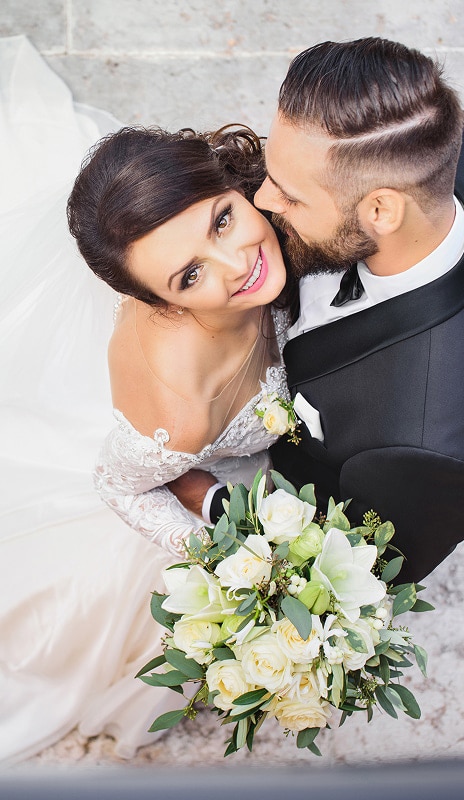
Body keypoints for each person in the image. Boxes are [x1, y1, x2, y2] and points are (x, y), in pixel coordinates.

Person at [0, 34, 292, 764]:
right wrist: (225, 552)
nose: (239, 264)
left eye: (222, 219)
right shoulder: (178, 402)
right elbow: (120, 487)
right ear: (161, 302)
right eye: (188, 277)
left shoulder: (269, 210)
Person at [183, 37, 464, 583]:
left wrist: (207, 498)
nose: (263, 200)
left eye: (290, 195)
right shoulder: (418, 135)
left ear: (381, 210)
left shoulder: (424, 447)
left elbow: (359, 567)